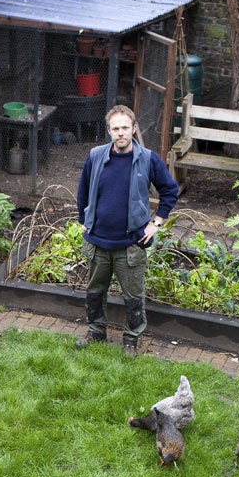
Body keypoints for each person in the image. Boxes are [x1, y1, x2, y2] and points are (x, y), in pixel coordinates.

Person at [75, 104, 179, 355]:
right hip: (98, 241)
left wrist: (156, 224)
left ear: (133, 129)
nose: (120, 133)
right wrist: (82, 218)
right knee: (94, 292)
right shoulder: (96, 155)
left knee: (133, 297)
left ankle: (131, 339)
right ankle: (96, 332)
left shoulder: (148, 159)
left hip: (131, 243)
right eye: (115, 128)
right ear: (109, 131)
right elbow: (83, 189)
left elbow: (170, 190)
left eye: (125, 128)